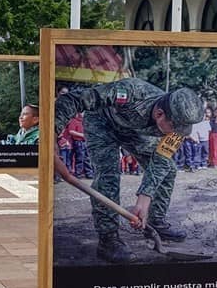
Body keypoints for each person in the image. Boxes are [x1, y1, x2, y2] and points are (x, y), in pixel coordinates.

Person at [54, 78, 203, 263]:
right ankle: (108, 240)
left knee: (168, 170)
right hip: (102, 124)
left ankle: (155, 224)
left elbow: (161, 160)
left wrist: (144, 199)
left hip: (134, 133)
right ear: (159, 114)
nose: (176, 133)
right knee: (107, 177)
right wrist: (52, 133)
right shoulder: (130, 92)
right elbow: (73, 100)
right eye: (174, 128)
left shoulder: (176, 127)